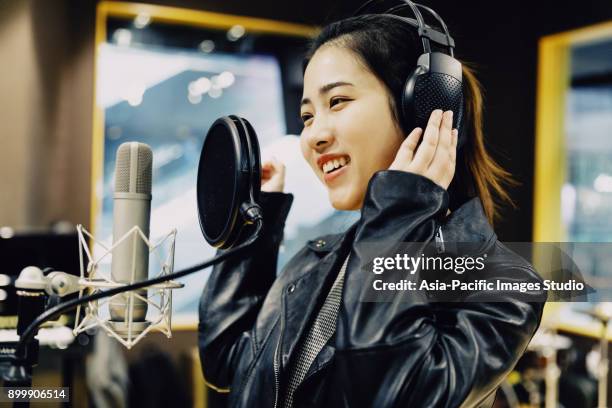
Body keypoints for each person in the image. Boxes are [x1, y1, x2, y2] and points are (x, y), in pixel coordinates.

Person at [198, 13, 546, 408]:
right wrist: (252, 225)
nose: (313, 135)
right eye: (307, 116)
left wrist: (401, 211)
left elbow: (389, 393)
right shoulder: (319, 259)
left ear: (425, 107)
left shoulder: (504, 282)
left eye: (338, 101)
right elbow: (227, 360)